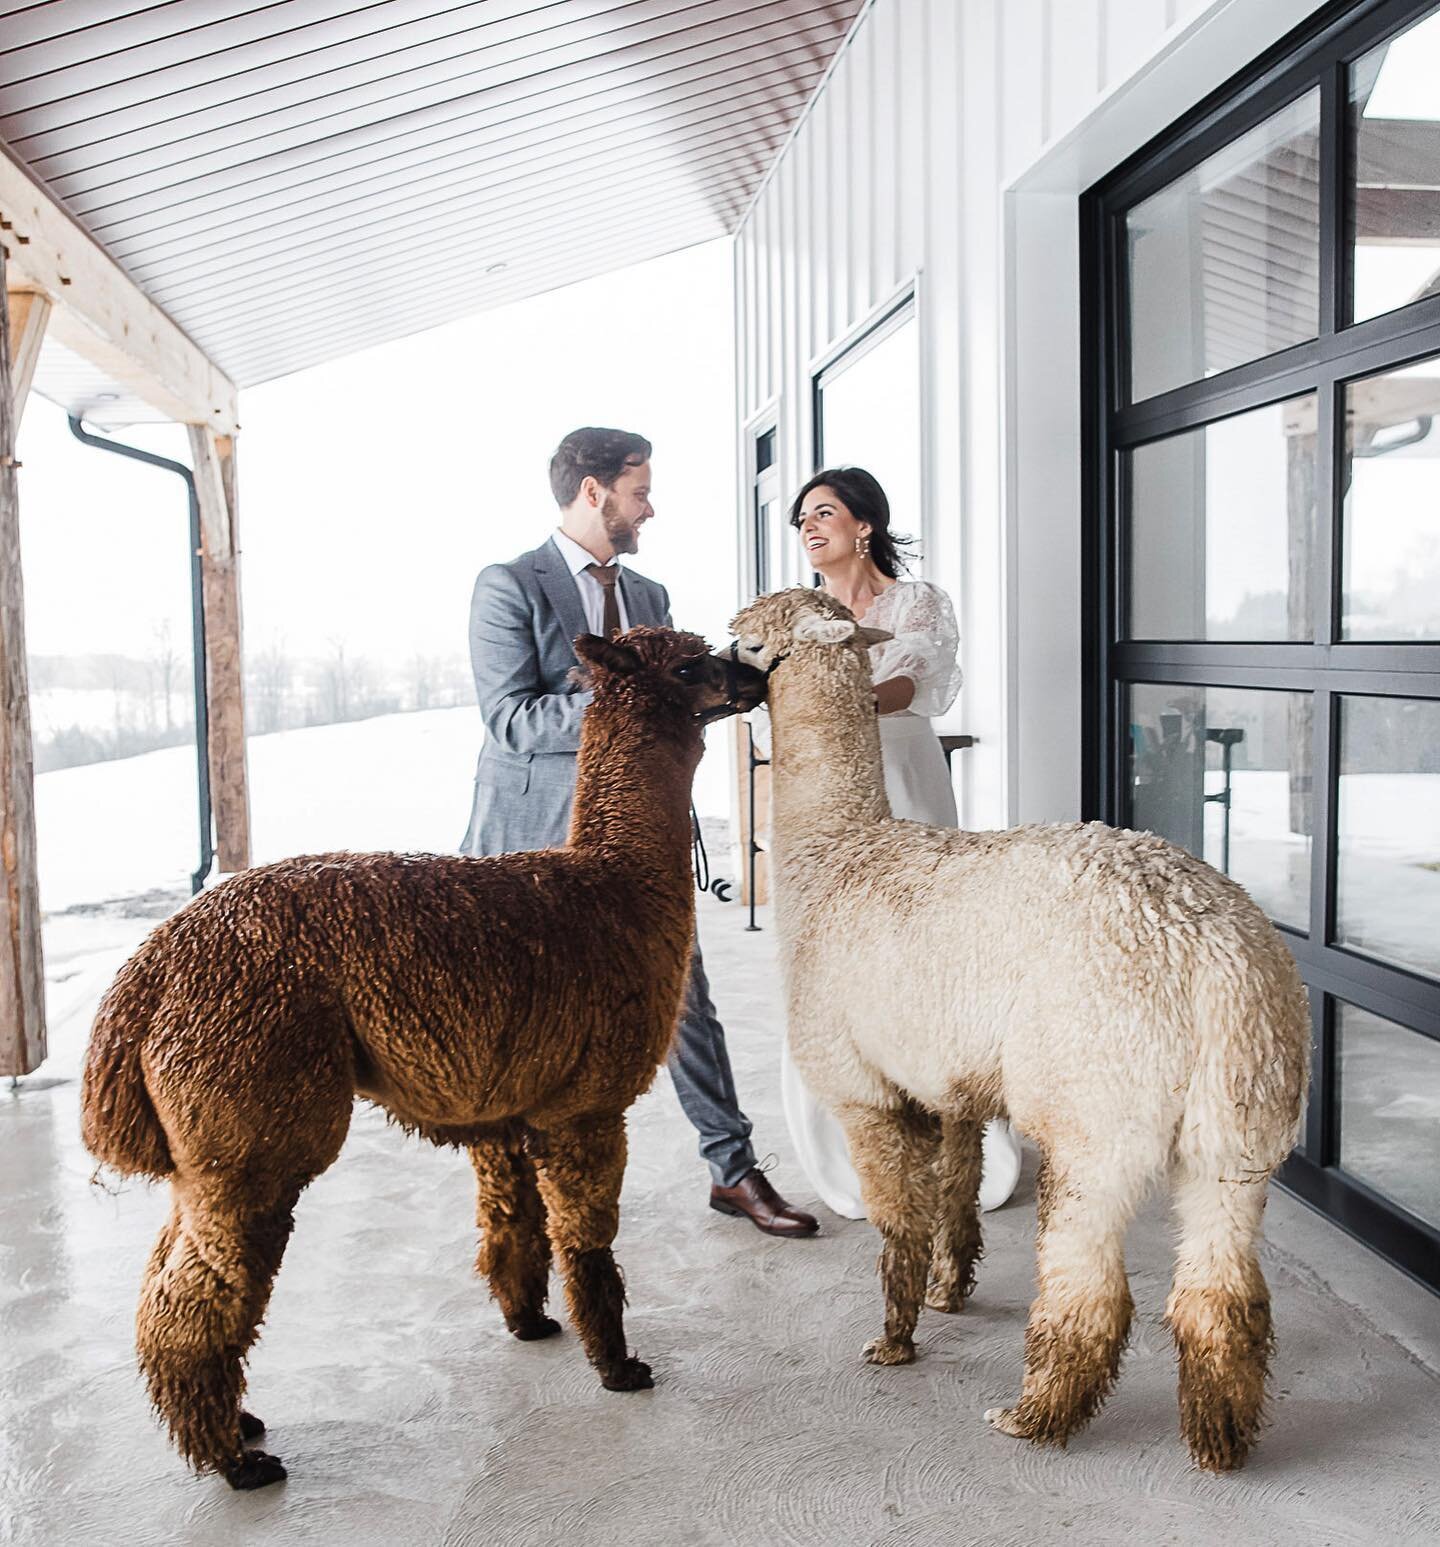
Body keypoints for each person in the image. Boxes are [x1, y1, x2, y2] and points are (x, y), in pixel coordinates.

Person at [461, 426, 818, 1238]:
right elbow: (510, 719)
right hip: (529, 849)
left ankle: (733, 1170)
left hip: (635, 848)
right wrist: (638, 695)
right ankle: (515, 1198)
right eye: (638, 490)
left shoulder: (650, 596)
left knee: (684, 998)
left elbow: (681, 697)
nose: (648, 508)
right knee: (523, 1020)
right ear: (594, 491)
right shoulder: (509, 584)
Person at [776, 465, 1023, 1218]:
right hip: (822, 788)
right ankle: (852, 1137)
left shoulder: (917, 601)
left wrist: (830, 693)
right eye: (802, 519)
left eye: (824, 513)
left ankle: (954, 1141)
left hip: (904, 774)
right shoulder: (797, 614)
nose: (810, 528)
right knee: (830, 951)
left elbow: (913, 681)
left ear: (865, 525)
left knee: (923, 947)